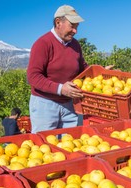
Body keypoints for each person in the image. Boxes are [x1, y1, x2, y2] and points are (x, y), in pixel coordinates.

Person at [26, 5, 87, 134]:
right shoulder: (43, 43)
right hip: (45, 105)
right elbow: (33, 76)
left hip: (70, 105)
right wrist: (60, 89)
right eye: (72, 26)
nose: (75, 31)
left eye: (77, 27)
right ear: (58, 22)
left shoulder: (75, 45)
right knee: (44, 146)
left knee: (71, 143)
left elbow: (83, 70)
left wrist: (102, 72)